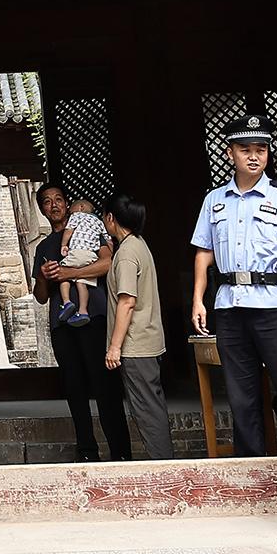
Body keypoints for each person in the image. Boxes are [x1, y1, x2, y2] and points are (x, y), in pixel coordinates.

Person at [190, 113, 277, 458]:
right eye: (245, 149)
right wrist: (198, 300)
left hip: (274, 308)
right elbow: (204, 252)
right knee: (241, 397)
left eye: (261, 149)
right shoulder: (214, 200)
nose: (253, 156)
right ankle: (251, 469)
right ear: (230, 152)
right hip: (229, 307)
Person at [33, 182, 132, 461]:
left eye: (59, 199)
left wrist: (68, 273)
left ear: (67, 204)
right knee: (74, 387)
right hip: (62, 324)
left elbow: (107, 264)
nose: (54, 205)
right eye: (47, 201)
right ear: (42, 209)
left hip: (94, 318)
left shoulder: (88, 226)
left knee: (105, 385)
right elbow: (41, 296)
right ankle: (87, 450)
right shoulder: (44, 246)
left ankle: (120, 452)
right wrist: (45, 276)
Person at [100, 193, 173, 461]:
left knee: (146, 411)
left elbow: (127, 301)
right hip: (148, 341)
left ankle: (162, 467)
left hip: (136, 345)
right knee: (152, 407)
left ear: (111, 218)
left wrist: (114, 347)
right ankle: (165, 462)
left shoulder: (127, 254)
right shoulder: (139, 244)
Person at [56, 199, 106, 327]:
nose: (69, 213)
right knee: (82, 281)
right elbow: (108, 239)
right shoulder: (99, 222)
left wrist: (63, 245)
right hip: (91, 256)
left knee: (63, 273)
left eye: (71, 210)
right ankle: (83, 311)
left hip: (77, 251)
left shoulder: (77, 215)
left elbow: (69, 230)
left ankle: (66, 302)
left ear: (81, 207)